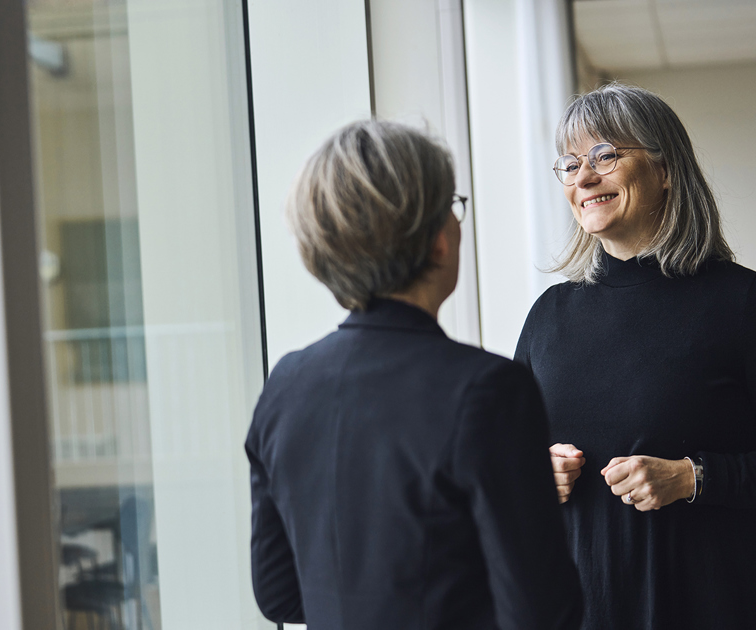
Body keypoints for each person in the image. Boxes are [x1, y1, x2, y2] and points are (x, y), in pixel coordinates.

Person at [514, 83, 756, 629]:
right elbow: (508, 465)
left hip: (717, 605)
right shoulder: (548, 316)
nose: (584, 178)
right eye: (570, 164)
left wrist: (694, 477)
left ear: (665, 171)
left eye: (605, 156)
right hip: (584, 608)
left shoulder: (743, 301)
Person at [245, 120, 582, 630]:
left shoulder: (285, 385)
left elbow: (278, 594)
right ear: (436, 242)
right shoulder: (488, 390)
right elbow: (541, 611)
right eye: (453, 206)